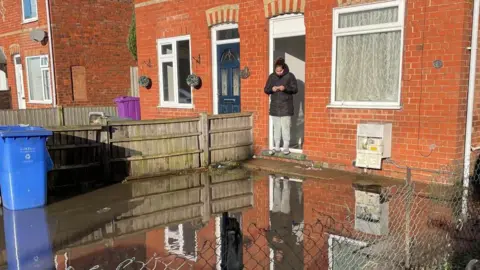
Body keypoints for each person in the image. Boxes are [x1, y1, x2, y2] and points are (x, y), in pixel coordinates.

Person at [264, 57, 298, 155]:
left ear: (284, 68)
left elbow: (295, 89)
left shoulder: (290, 76)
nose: (278, 72)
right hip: (275, 107)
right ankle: (277, 147)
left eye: (280, 70)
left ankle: (286, 147)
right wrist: (272, 89)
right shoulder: (272, 77)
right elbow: (266, 89)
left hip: (286, 107)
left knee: (285, 128)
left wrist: (285, 88)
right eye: (277, 71)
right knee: (276, 128)